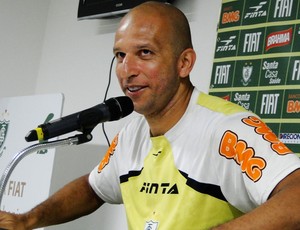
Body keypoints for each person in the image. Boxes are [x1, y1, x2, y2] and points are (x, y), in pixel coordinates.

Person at [1, 1, 300, 229]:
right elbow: (93, 188)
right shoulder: (131, 135)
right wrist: (28, 220)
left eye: (145, 53)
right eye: (120, 55)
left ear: (184, 63)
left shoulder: (228, 129)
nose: (127, 71)